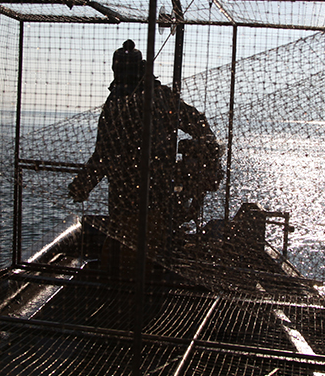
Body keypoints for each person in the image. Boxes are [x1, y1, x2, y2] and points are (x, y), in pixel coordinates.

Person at [68, 41, 221, 265]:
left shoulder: (117, 104)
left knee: (128, 253)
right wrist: (208, 146)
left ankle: (126, 291)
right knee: (140, 254)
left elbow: (102, 155)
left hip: (129, 197)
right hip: (151, 195)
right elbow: (197, 122)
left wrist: (83, 184)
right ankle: (136, 291)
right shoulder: (159, 97)